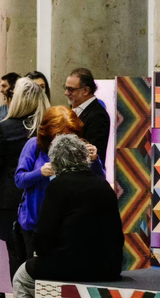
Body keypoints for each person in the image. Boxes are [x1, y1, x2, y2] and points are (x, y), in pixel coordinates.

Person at [5, 135, 123, 298]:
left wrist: (41, 252)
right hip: (108, 266)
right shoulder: (103, 185)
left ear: (56, 162)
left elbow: (44, 234)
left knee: (22, 276)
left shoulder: (59, 185)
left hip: (69, 266)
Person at [14, 106, 104, 267]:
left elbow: (99, 181)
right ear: (49, 132)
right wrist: (39, 173)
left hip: (67, 226)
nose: (64, 140)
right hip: (34, 224)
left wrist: (95, 160)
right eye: (59, 135)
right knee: (33, 271)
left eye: (70, 135)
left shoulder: (78, 148)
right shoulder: (33, 146)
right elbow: (19, 180)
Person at [0, 79, 49, 288]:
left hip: (9, 193)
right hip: (41, 193)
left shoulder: (6, 127)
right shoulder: (47, 128)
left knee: (6, 240)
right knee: (36, 243)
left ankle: (2, 287)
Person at [65, 67, 110, 165]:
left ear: (86, 90)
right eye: (66, 88)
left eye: (71, 89)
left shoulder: (98, 115)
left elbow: (93, 154)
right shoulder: (71, 109)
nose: (66, 93)